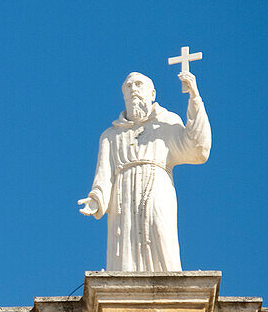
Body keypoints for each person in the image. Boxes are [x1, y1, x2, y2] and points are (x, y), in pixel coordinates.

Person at [78, 70, 211, 271]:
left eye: (139, 85)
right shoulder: (110, 135)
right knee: (126, 241)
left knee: (160, 230)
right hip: (122, 197)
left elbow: (196, 148)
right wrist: (96, 199)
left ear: (152, 93)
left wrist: (194, 99)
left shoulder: (166, 122)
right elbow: (104, 174)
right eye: (128, 87)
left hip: (157, 186)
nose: (133, 90)